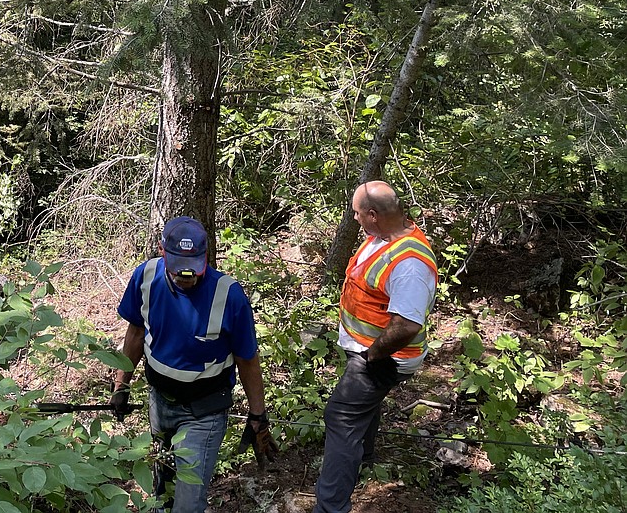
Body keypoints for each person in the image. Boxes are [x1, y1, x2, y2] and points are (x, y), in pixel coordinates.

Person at [112, 215, 277, 513]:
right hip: (160, 403)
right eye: (178, 269)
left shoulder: (229, 295)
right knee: (163, 486)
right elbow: (135, 333)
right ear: (163, 251)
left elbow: (247, 360)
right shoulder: (146, 277)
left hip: (204, 412)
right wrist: (121, 384)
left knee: (187, 504)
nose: (186, 276)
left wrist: (258, 415)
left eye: (193, 269)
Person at [313, 180, 438, 513]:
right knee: (363, 406)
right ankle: (363, 457)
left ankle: (330, 507)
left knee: (340, 416)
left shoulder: (410, 265)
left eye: (356, 213)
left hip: (385, 356)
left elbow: (408, 325)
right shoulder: (383, 236)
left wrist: (373, 356)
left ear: (372, 215)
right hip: (369, 348)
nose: (354, 219)